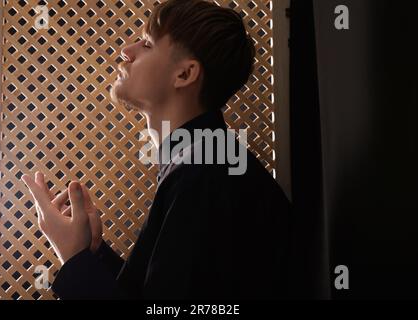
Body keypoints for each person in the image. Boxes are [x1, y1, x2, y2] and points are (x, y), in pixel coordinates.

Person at [22, 0, 292, 299]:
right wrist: (92, 254)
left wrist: (73, 257)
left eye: (148, 44)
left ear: (185, 74)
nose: (126, 50)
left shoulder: (205, 175)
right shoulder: (207, 162)